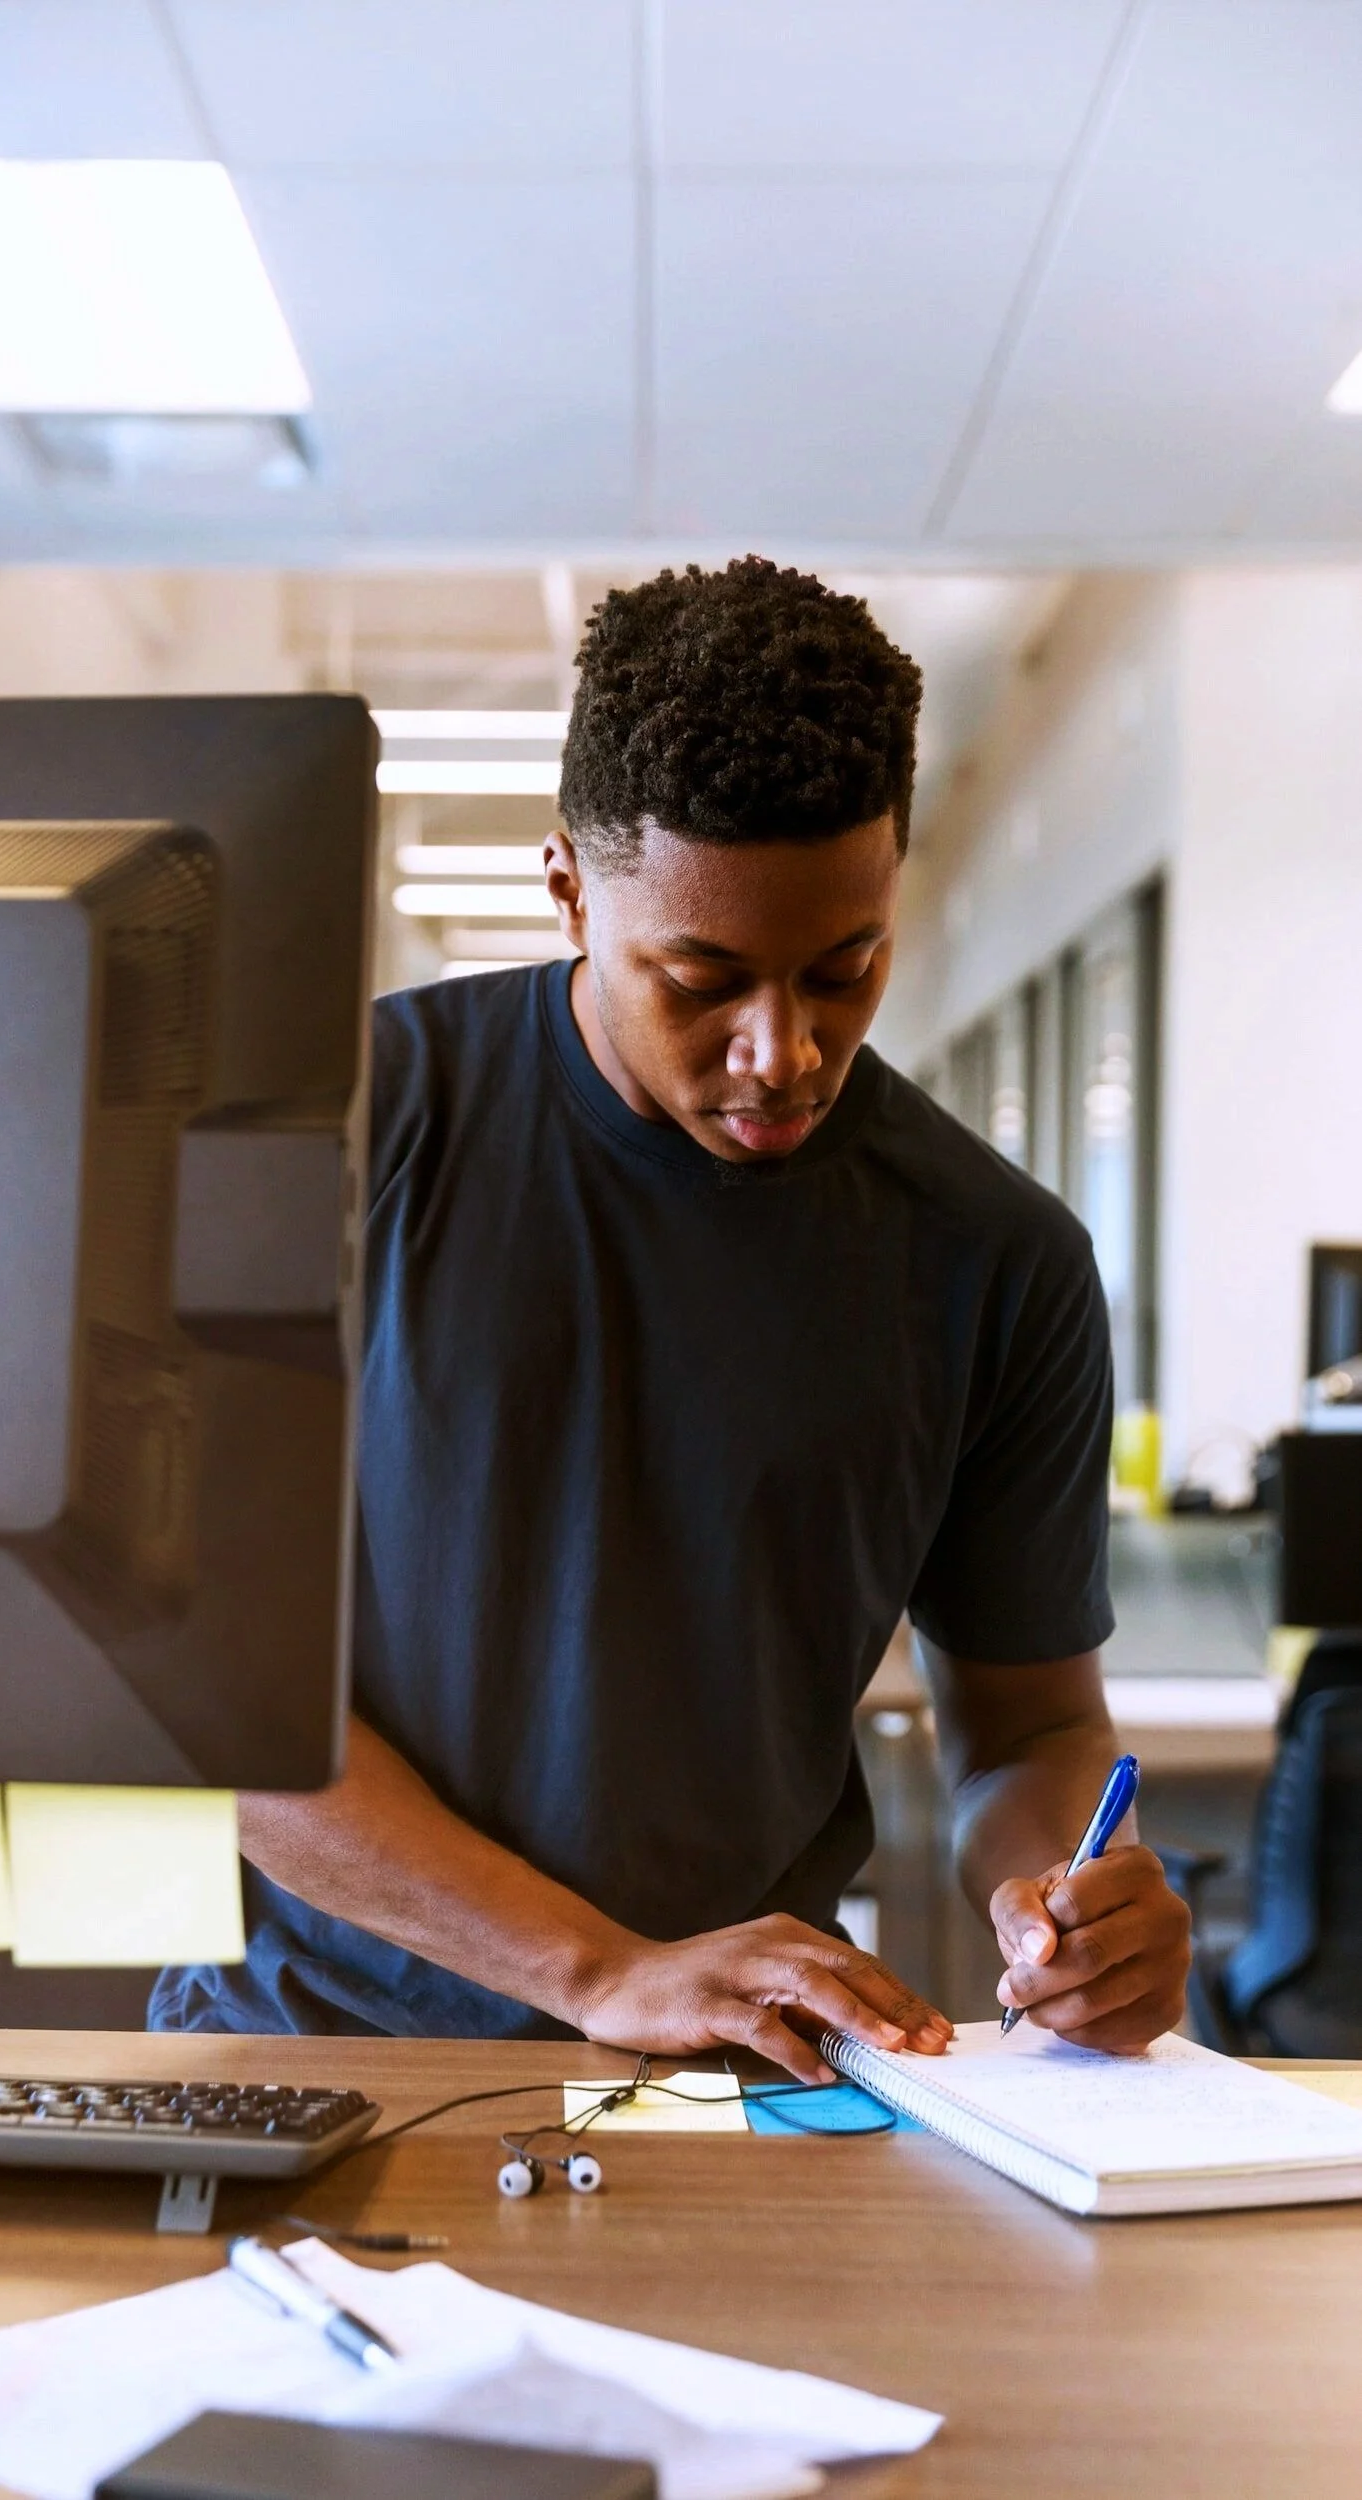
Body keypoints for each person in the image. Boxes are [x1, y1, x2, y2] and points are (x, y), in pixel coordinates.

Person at [151, 557, 1190, 2078]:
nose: (783, 1050)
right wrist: (590, 1966)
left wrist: (1067, 1909)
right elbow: (198, 1688)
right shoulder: (335, 1137)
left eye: (845, 970)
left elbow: (1029, 1733)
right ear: (567, 884)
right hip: (314, 2050)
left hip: (736, 2072)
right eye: (702, 980)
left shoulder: (995, 1258)